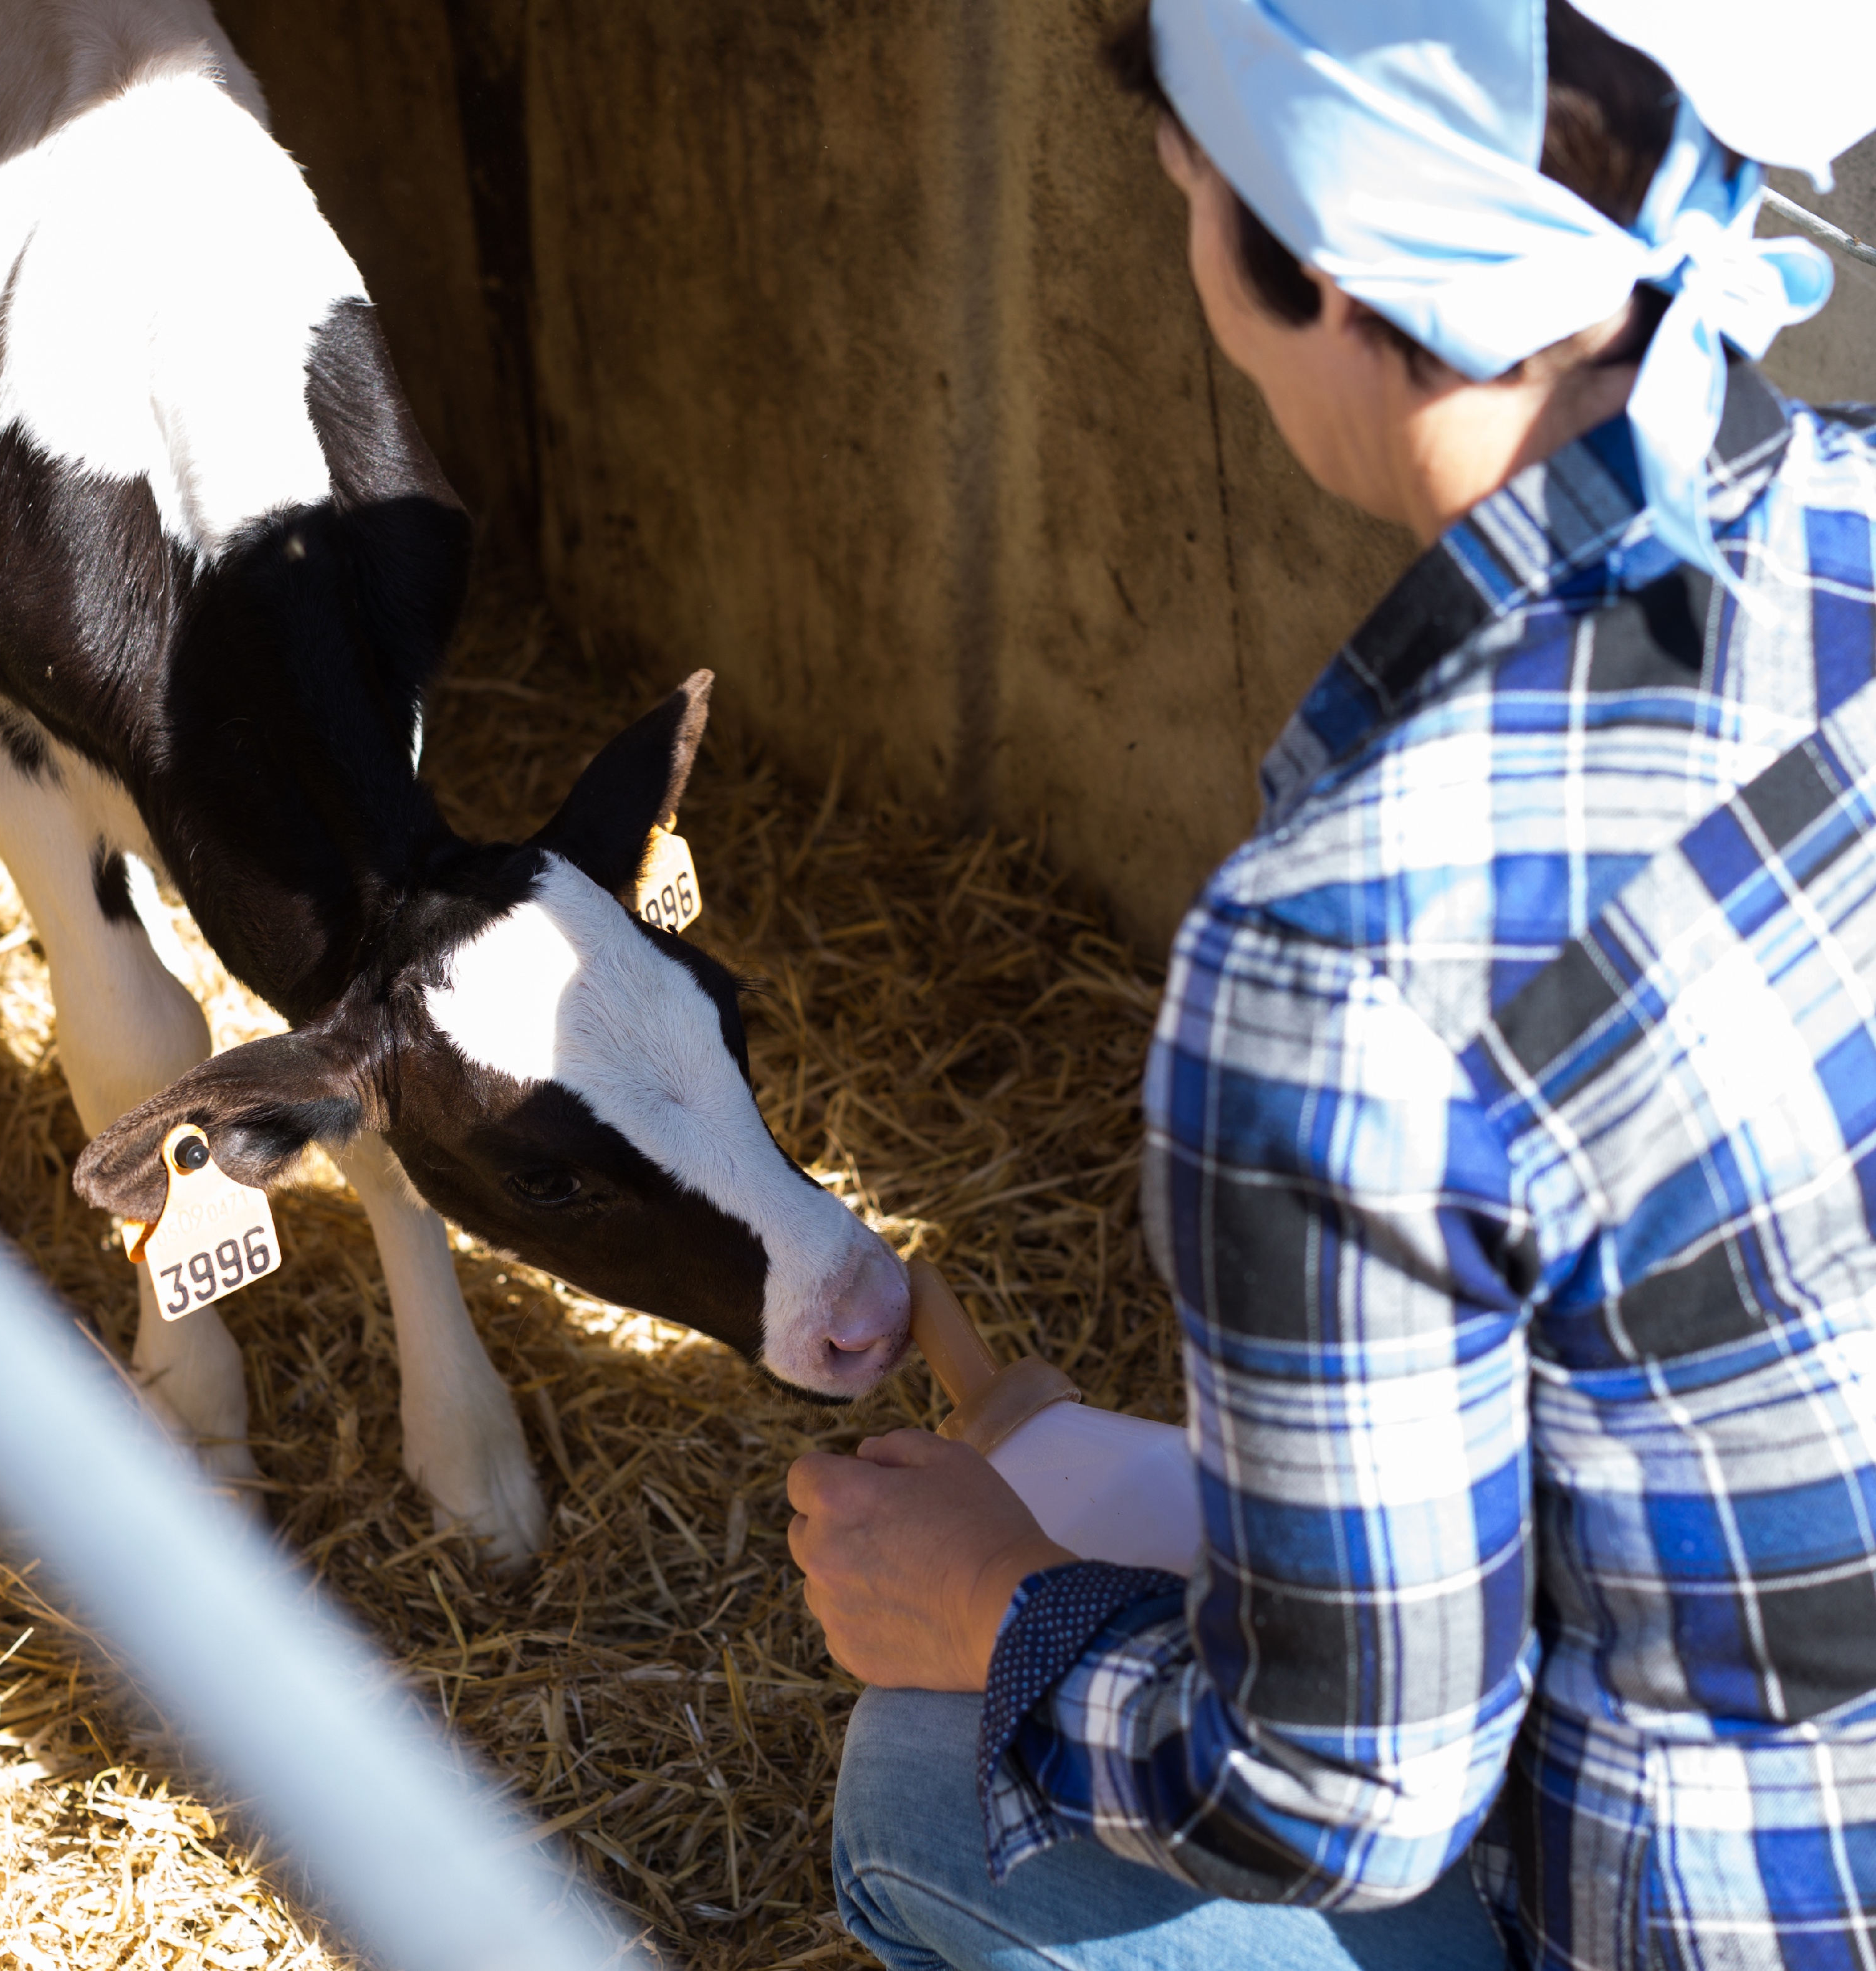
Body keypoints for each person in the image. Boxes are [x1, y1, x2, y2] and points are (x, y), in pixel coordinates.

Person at [785, 4, 1876, 1967]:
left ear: (1328, 274)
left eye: (1191, 182)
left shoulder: (1342, 949)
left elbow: (1356, 1793)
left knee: (925, 1793)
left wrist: (1003, 1603)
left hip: (1758, 1911)